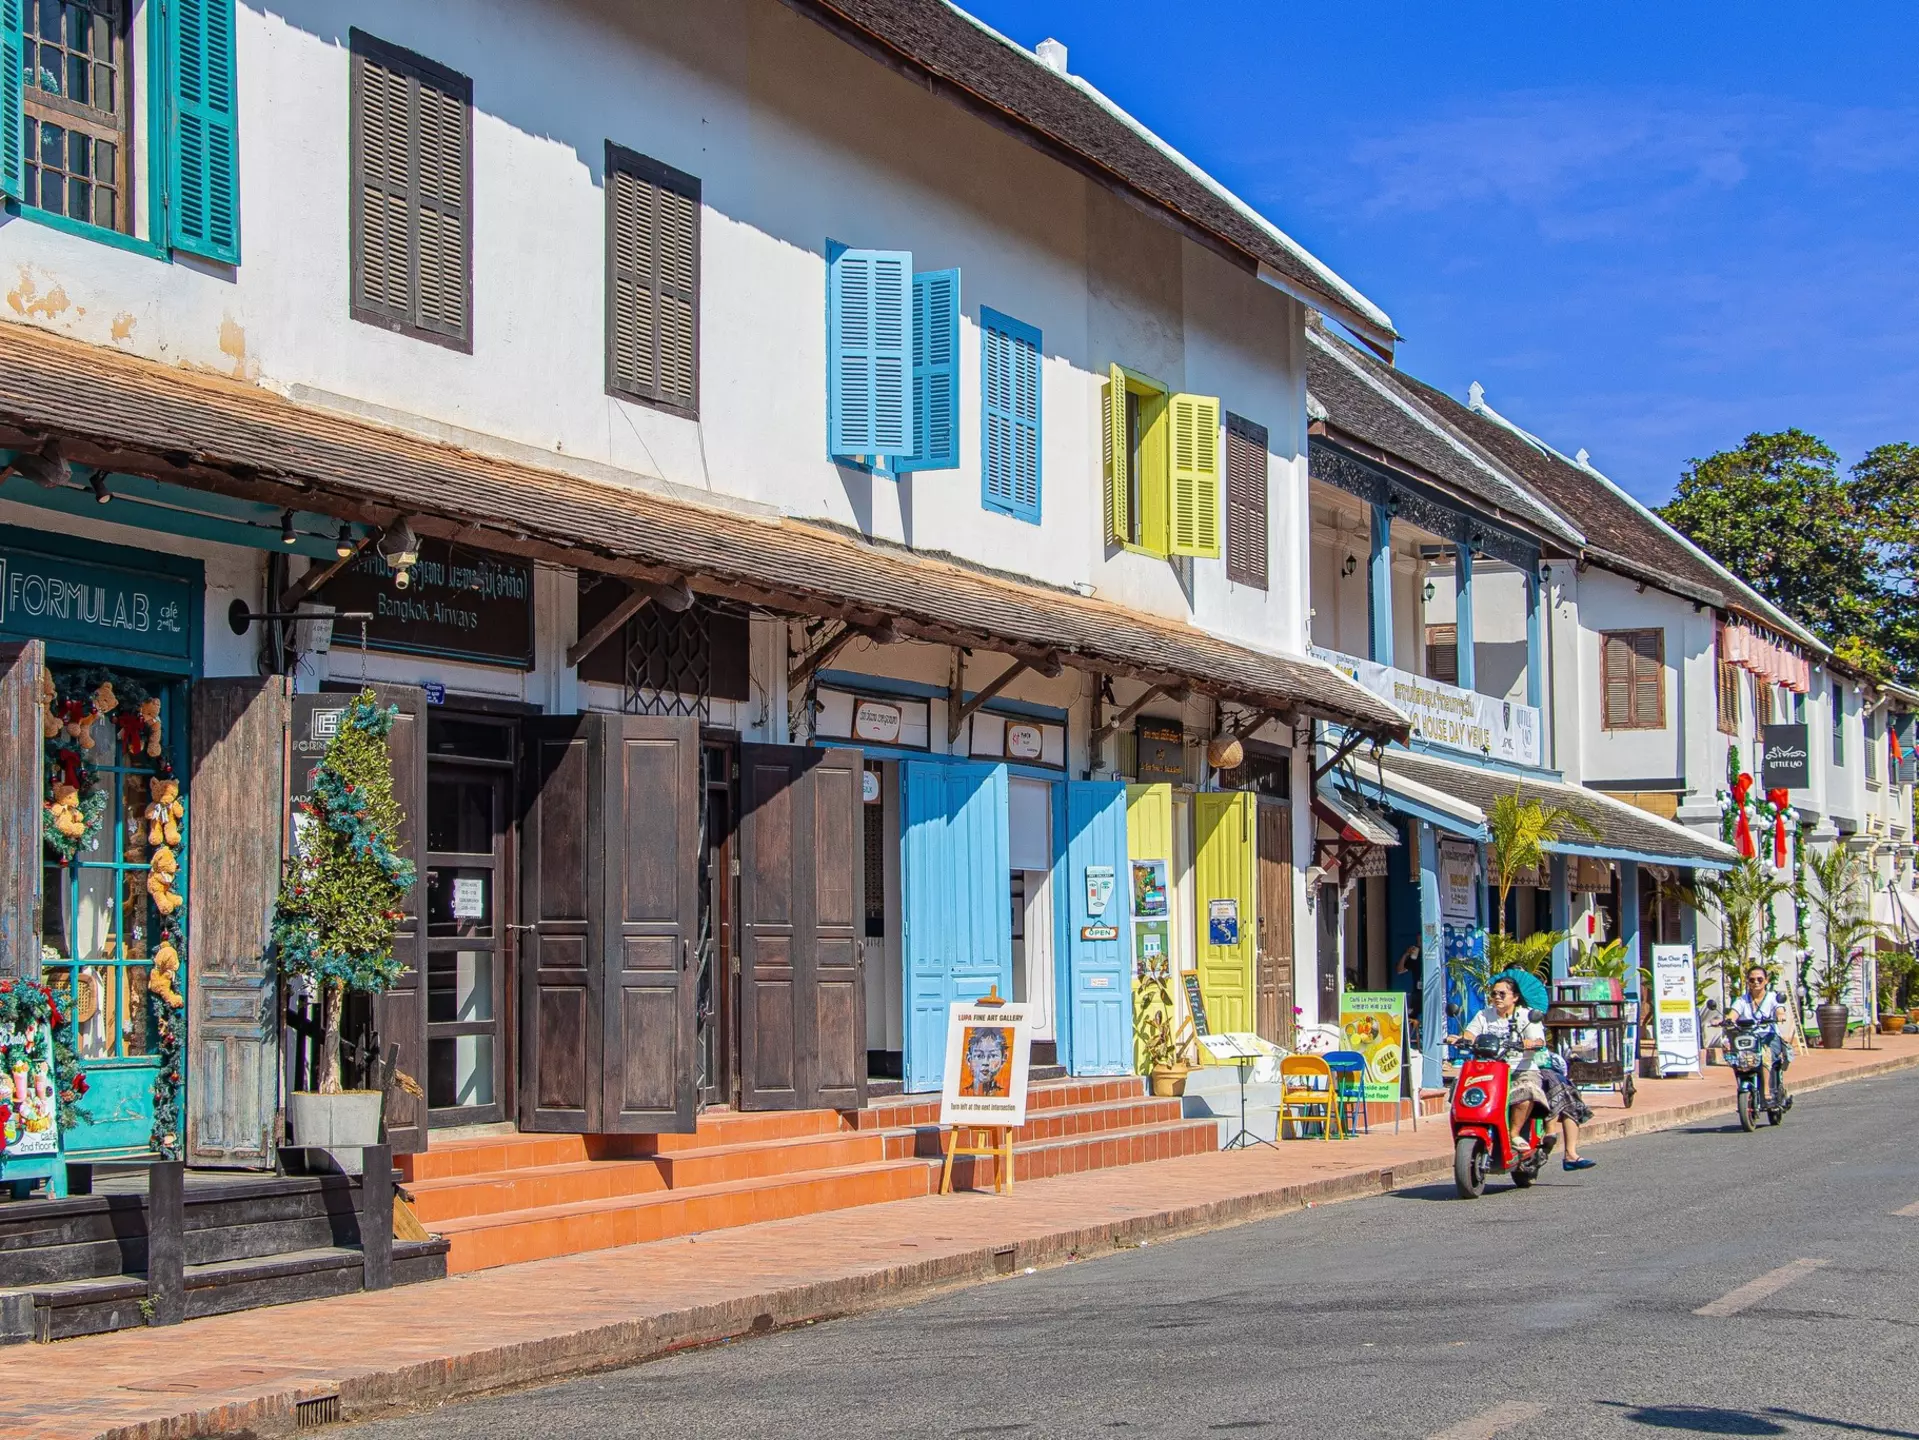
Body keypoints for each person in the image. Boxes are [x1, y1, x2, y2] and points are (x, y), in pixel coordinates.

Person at [1449, 977, 1548, 1153]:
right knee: (1460, 1089)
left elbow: (1539, 1039)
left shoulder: (1526, 1015)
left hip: (1520, 1068)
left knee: (1528, 1089)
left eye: (1502, 994)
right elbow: (1470, 1034)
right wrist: (1461, 1039)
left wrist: (1531, 1043)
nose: (1497, 997)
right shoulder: (1484, 1015)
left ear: (1515, 997)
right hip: (1488, 1068)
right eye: (1494, 993)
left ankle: (1514, 1134)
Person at [1725, 963, 1794, 1077]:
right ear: (1748, 981)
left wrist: (1780, 1015)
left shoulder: (1772, 997)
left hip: (1768, 1036)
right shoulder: (1742, 1000)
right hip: (1748, 1037)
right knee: (1738, 1058)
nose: (1756, 982)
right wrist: (1726, 1020)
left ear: (1766, 981)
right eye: (1752, 980)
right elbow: (1732, 1015)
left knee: (1765, 1055)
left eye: (1759, 979)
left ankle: (1766, 1091)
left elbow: (1779, 1009)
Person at [1536, 1046, 1596, 1171]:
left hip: (1534, 1066)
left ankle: (1570, 1153)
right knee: (1554, 1083)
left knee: (1567, 1092)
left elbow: (1539, 1045)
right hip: (1514, 1069)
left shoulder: (1532, 1027)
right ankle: (1550, 1130)